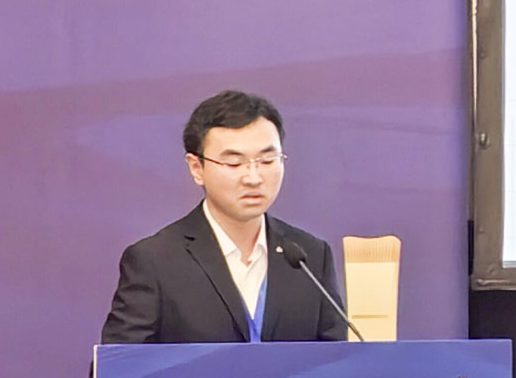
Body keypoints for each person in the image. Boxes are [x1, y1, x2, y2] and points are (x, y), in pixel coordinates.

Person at [101, 89, 346, 344]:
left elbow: (340, 361)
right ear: (197, 168)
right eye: (234, 163)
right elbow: (118, 366)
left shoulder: (310, 257)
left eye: (267, 160)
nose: (253, 178)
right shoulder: (155, 261)